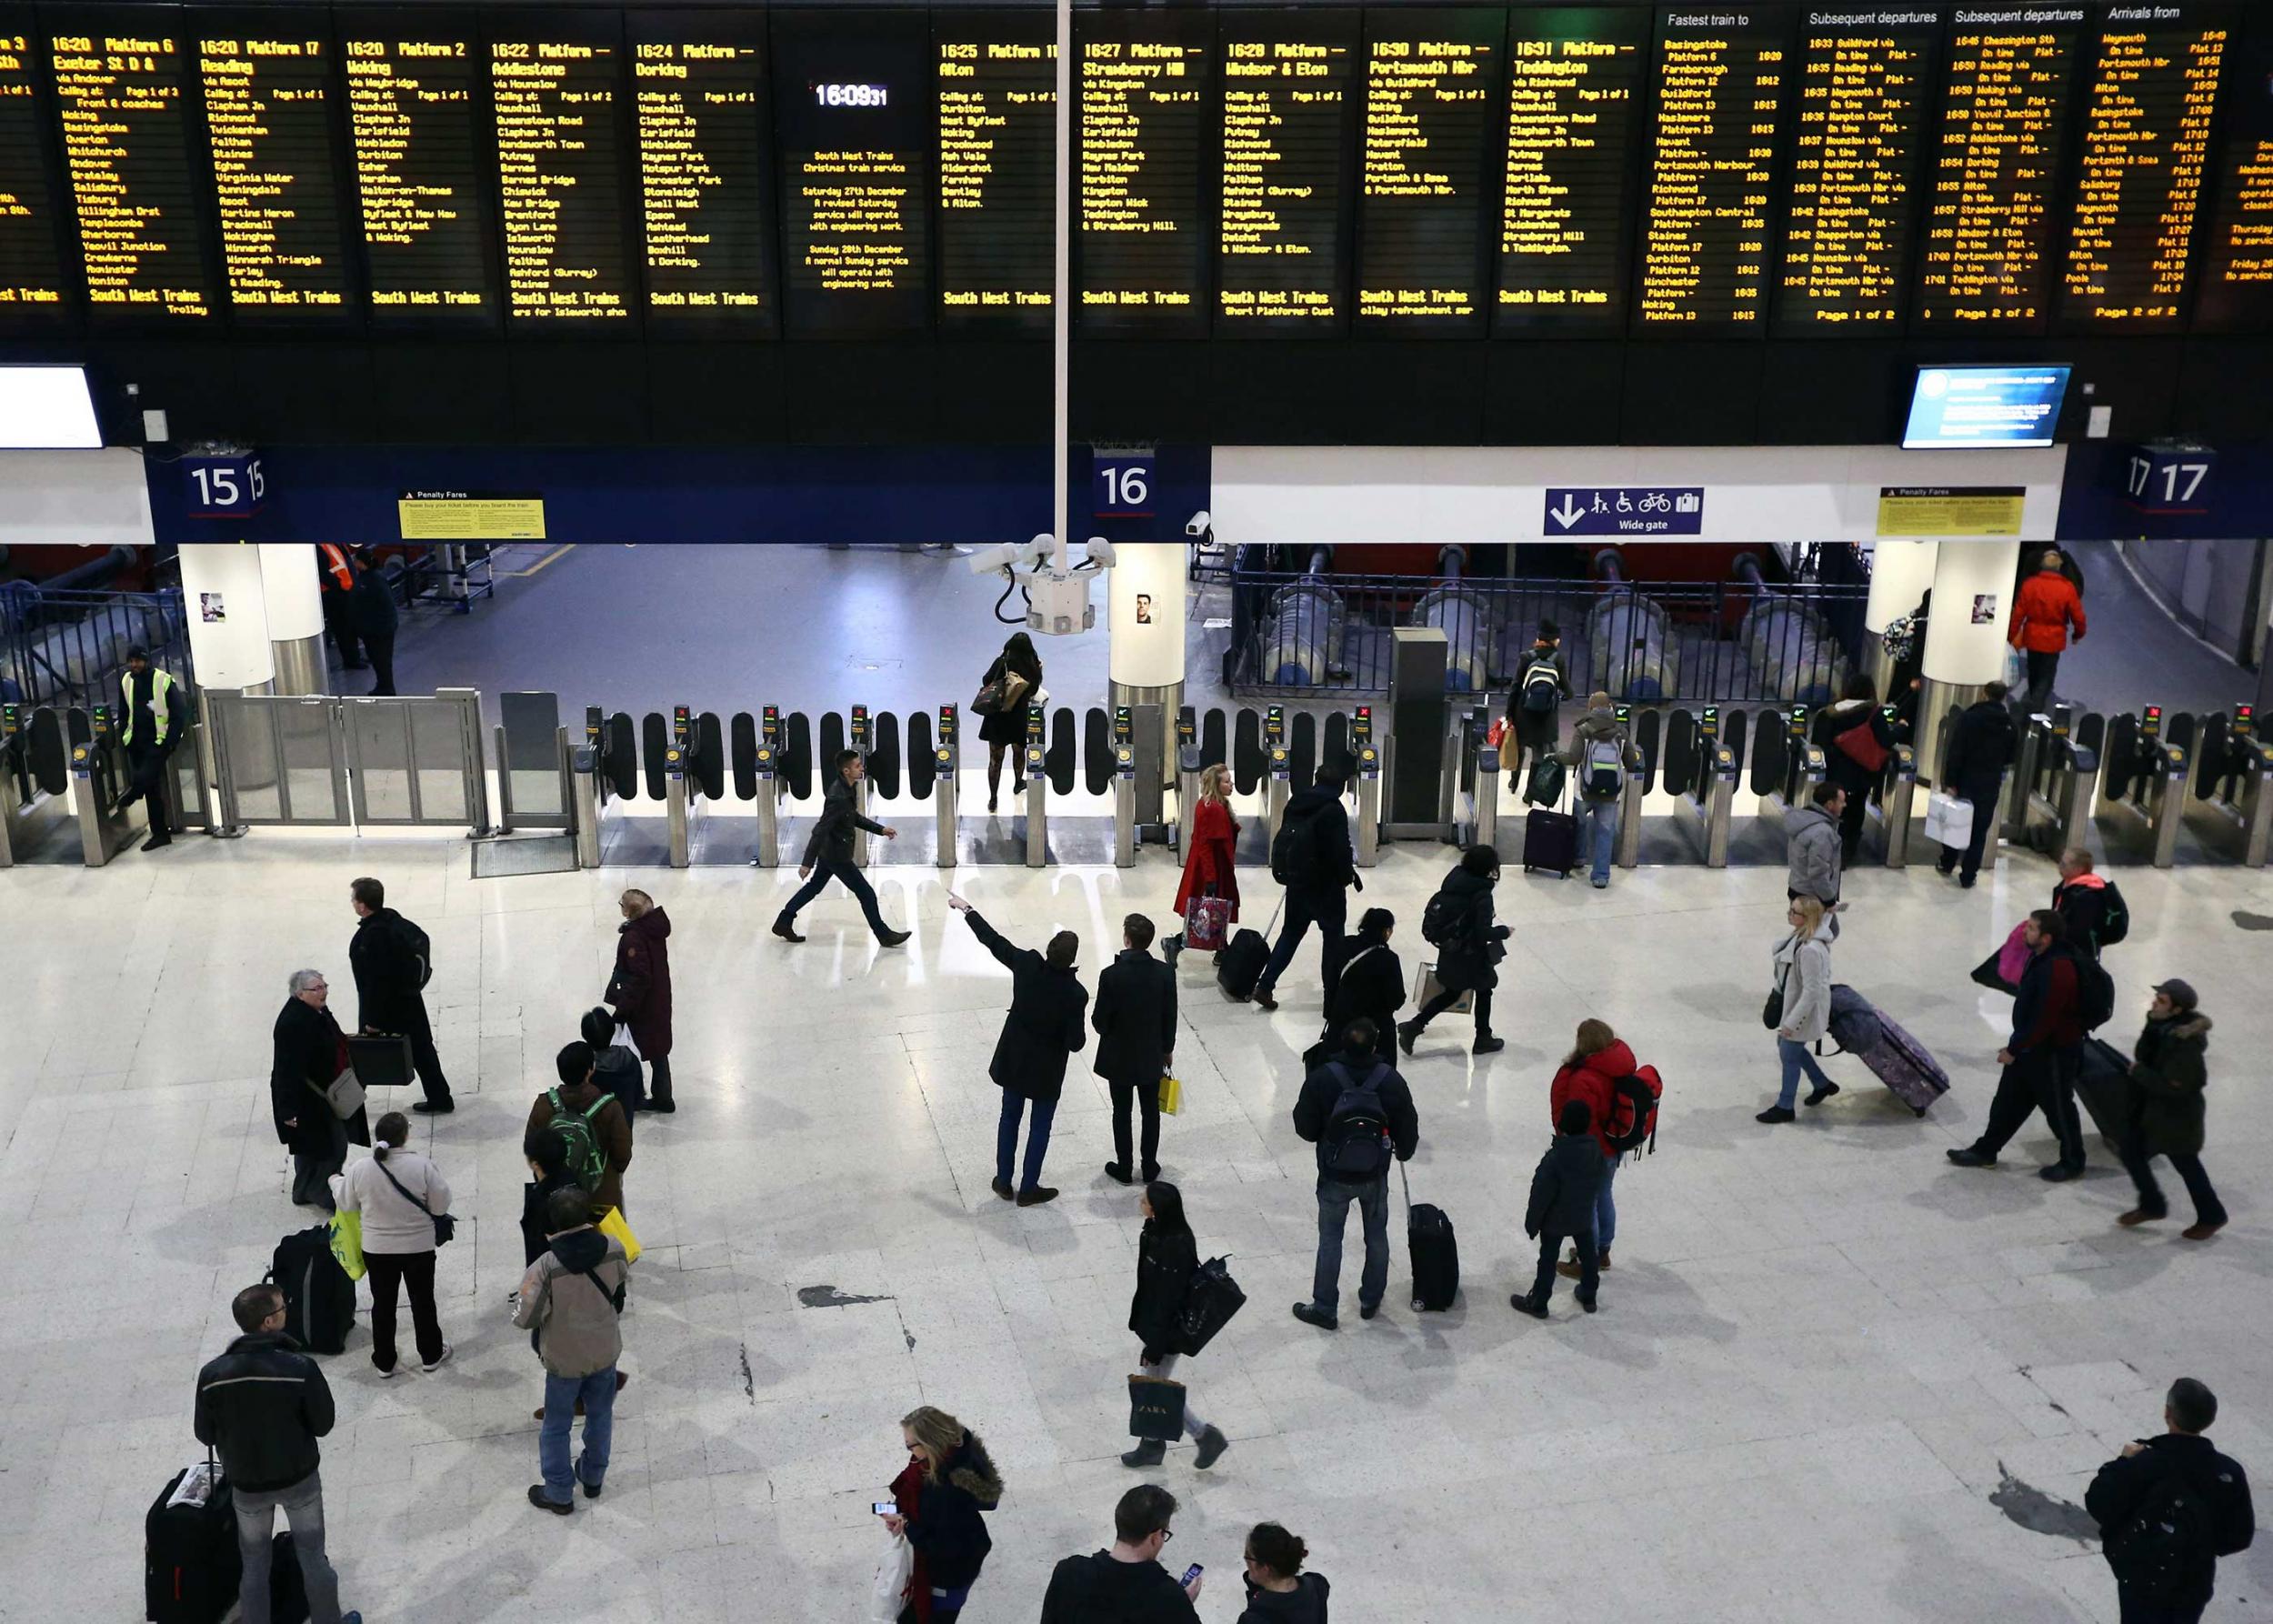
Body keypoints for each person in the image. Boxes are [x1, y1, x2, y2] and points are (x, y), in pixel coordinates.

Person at [195, 1284, 360, 1624]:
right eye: (282, 1307)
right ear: (268, 1323)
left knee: (254, 1563)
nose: (287, 1310)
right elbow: (323, 1423)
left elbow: (204, 1433)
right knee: (312, 1556)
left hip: (246, 1484)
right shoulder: (299, 1367)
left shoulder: (212, 1375)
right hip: (298, 1478)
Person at [949, 893, 1088, 1206]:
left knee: (1009, 1117)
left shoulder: (1027, 965)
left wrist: (967, 909)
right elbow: (1076, 1043)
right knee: (1040, 1127)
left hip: (1014, 1061)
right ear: (1072, 959)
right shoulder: (1075, 994)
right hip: (1047, 1072)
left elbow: (993, 941)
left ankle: (1003, 1179)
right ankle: (1029, 1188)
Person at [2086, 1378, 2254, 1624]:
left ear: (2168, 1413)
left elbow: (2098, 1502)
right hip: (2194, 1578)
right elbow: (2239, 1536)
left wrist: (2122, 1461)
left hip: (2143, 1576)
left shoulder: (2144, 1463)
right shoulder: (2228, 1472)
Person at [1291, 1018, 1418, 1329]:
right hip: (1375, 1174)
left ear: (1342, 1044)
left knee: (1330, 1238)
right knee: (1376, 1235)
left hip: (1334, 1175)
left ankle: (1324, 1307)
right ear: (1375, 1045)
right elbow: (1408, 1125)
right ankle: (1371, 1298)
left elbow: (1304, 1128)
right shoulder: (1390, 1080)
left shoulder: (1322, 1078)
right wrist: (1403, 1150)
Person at [516, 1186, 632, 1514]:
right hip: (605, 1349)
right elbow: (622, 1277)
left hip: (564, 1359)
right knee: (600, 1414)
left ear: (552, 1223)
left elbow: (526, 1317)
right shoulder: (612, 1246)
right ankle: (593, 1477)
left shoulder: (545, 1267)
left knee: (556, 1424)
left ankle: (558, 1492)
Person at [1948, 909, 2088, 1178]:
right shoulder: (2041, 957)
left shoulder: (2059, 968)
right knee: (2007, 1101)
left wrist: (2014, 1049)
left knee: (2058, 1109)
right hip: (2031, 1047)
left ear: (2046, 938)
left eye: (2032, 928)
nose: (2025, 931)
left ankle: (2073, 1161)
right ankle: (1986, 1150)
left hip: (2054, 1053)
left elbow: (2045, 1019)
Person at [1121, 1180, 1231, 1469]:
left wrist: (1155, 1345)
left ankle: (1202, 1436)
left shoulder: (1173, 1245)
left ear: (1156, 1209)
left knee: (1155, 1388)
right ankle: (1155, 1443)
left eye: (1144, 1200)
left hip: (1167, 1331)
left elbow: (1167, 1300)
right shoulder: (1158, 1231)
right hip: (1157, 1326)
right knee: (1154, 1385)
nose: (1140, 1202)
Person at [337, 1110, 452, 1378]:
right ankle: (430, 1354)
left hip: (377, 1250)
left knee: (383, 1303)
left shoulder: (361, 1168)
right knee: (423, 1301)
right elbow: (441, 1204)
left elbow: (346, 1204)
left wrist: (335, 1181)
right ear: (405, 1137)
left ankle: (384, 1361)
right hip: (418, 1248)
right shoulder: (421, 1166)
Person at [2116, 979, 2227, 1240]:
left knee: (2187, 1165)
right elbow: (2146, 1055)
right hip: (2152, 1109)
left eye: (2162, 1000)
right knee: (2131, 1151)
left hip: (2177, 1117)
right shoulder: (2159, 1026)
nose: (2155, 1002)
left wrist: (2139, 1073)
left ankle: (2212, 1216)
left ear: (2177, 1010)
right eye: (2157, 997)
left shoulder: (2185, 1045)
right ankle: (2152, 1204)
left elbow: (2179, 1086)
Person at [1250, 763, 1360, 1013]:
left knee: (1290, 933)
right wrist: (1345, 878)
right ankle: (1331, 997)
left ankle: (1265, 985)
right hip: (1327, 886)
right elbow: (1340, 849)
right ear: (1340, 786)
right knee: (1333, 939)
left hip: (1298, 882)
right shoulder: (1334, 810)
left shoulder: (1297, 802)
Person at [773, 748, 910, 947]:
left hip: (831, 851)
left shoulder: (847, 788)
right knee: (866, 894)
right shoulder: (839, 796)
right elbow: (820, 829)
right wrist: (806, 863)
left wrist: (880, 830)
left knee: (814, 887)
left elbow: (852, 817)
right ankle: (883, 934)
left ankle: (784, 920)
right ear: (846, 771)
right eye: (857, 766)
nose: (862, 768)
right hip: (837, 855)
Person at [884, 1406, 1003, 1624]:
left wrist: (908, 1525)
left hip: (947, 1576)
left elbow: (943, 1548)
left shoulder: (947, 1492)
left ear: (930, 1443)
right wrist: (896, 1511)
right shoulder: (947, 1455)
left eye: (911, 1446)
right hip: (961, 1550)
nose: (910, 1452)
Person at [347, 876, 452, 1114]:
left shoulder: (374, 936)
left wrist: (372, 1021)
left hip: (388, 1009)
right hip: (410, 1001)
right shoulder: (392, 920)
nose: (352, 902)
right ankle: (440, 1097)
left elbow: (377, 982)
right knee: (423, 1051)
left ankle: (349, 1104)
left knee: (364, 1054)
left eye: (354, 898)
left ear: (363, 905)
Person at [1548, 1019, 1643, 1274]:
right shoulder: (1620, 1064)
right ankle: (1603, 1250)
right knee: (1604, 1195)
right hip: (1614, 1145)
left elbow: (1582, 1120)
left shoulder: (1584, 1078)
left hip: (1591, 1150)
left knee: (1587, 1202)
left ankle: (1588, 1259)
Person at [1398, 846, 1508, 1056]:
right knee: (1484, 991)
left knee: (1452, 992)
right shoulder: (1482, 893)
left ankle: (1414, 1026)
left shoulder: (1453, 883)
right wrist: (1503, 932)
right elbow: (1482, 932)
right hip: (1472, 956)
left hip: (1451, 951)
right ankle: (1483, 1037)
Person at [1037, 1485, 1204, 1622]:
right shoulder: (1168, 1599)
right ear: (1154, 1537)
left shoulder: (1068, 1572)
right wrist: (1182, 1606)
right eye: (1164, 1534)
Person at [1095, 914, 1177, 1186]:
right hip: (1152, 1056)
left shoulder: (1110, 975)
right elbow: (1170, 1015)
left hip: (1118, 1058)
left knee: (1121, 1111)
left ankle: (1124, 1166)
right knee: (1151, 1112)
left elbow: (1099, 1023)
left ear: (1126, 940)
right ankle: (1149, 1165)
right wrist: (1167, 1048)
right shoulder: (1165, 973)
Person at [272, 968, 364, 1211]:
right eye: (317, 989)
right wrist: (288, 1111)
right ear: (300, 994)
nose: (323, 992)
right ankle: (324, 1193)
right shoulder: (293, 1024)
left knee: (309, 1146)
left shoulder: (315, 1010)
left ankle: (303, 1190)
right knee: (334, 1145)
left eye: (325, 986)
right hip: (309, 1099)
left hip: (322, 1091)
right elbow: (285, 1071)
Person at [1515, 1099, 1605, 1318]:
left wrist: (1532, 1224)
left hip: (1554, 1221)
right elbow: (1599, 1179)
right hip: (1583, 1215)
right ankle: (1589, 1293)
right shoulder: (1594, 1148)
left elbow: (1540, 1195)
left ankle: (1539, 1302)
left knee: (1547, 1259)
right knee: (1589, 1254)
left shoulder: (1555, 1158)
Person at [527, 1041, 634, 1218]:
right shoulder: (610, 1108)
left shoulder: (544, 1105)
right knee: (607, 1241)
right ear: (590, 1070)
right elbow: (622, 1152)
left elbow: (532, 1146)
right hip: (601, 1193)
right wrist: (613, 1173)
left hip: (557, 1195)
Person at [1757, 896, 1838, 1124]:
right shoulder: (1806, 936)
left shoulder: (1810, 950)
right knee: (1785, 1047)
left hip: (1804, 1013)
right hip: (1797, 1008)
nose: (1789, 914)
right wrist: (1831, 910)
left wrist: (1791, 1023)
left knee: (1788, 1054)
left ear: (1807, 918)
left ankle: (1785, 1106)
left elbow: (1812, 991)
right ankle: (1822, 1084)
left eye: (1794, 912)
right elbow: (1824, 918)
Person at [1936, 680, 2018, 887]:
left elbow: (1956, 752)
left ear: (1984, 694)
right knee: (1980, 830)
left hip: (1966, 780)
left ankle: (1948, 862)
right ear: (2002, 697)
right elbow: (2011, 757)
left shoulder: (1970, 718)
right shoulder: (2009, 724)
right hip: (1989, 784)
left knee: (1956, 822)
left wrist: (1950, 781)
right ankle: (1968, 875)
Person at [1553, 691, 1638, 888]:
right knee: (1605, 831)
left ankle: (1579, 859)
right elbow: (1632, 763)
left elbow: (1574, 758)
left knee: (1580, 824)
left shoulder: (1583, 730)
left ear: (1590, 708)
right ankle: (1601, 876)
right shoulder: (1621, 732)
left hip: (1583, 789)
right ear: (1610, 708)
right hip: (1611, 792)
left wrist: (1557, 756)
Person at [1816, 673, 1897, 866]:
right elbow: (1886, 740)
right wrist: (1900, 728)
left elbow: (1819, 742)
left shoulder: (1830, 712)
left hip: (1836, 771)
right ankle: (1847, 852)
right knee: (1856, 809)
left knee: (1835, 809)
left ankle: (1828, 848)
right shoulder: (1873, 712)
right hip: (1861, 773)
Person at [606, 888, 676, 1111]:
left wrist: (623, 1008)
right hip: (659, 999)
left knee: (630, 1049)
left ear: (629, 912)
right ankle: (663, 1096)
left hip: (643, 1006)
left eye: (622, 904)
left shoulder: (634, 937)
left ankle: (634, 1096)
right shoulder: (654, 929)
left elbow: (639, 977)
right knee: (659, 1050)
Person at [109, 645, 182, 850]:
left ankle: (133, 794)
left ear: (145, 660)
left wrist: (170, 742)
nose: (134, 665)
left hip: (158, 742)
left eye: (137, 661)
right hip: (136, 741)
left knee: (143, 778)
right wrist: (125, 736)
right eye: (131, 661)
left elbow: (178, 713)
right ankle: (160, 834)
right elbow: (124, 712)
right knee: (151, 788)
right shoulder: (126, 681)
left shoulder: (162, 680)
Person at [1167, 762, 1239, 956]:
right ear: (1217, 785)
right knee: (1207, 910)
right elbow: (1206, 845)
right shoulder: (1212, 808)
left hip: (1214, 865)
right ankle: (1176, 943)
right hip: (1212, 867)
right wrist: (1211, 878)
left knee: (1212, 909)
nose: (1231, 785)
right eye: (1226, 782)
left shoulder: (1213, 804)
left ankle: (1222, 949)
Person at [2010, 546, 2087, 715]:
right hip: (2054, 639)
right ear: (2059, 567)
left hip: (2032, 636)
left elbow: (2018, 613)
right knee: (2047, 675)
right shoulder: (2067, 588)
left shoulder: (2030, 585)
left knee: (2034, 670)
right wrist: (2077, 634)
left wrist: (2011, 635)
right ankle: (2036, 707)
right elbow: (2078, 616)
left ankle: (2032, 700)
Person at [976, 630, 1043, 814]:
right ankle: (1018, 782)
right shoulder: (1031, 667)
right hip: (1018, 717)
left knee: (995, 760)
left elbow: (986, 680)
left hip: (997, 717)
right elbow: (1035, 689)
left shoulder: (1001, 662)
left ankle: (993, 798)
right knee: (1019, 752)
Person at [1321, 907, 1403, 1055]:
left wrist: (1330, 1014)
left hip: (1342, 1022)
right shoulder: (1388, 959)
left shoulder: (1344, 945)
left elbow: (1331, 982)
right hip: (1376, 1026)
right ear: (1386, 931)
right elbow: (1397, 999)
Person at [1505, 619, 1572, 787]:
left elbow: (1515, 686)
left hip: (1523, 711)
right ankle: (1529, 793)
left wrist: (1510, 712)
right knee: (1538, 754)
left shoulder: (1526, 657)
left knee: (1520, 748)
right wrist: (1565, 696)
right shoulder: (1558, 659)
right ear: (1555, 640)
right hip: (1546, 714)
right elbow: (1567, 689)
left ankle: (1514, 782)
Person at [519, 1127, 586, 1268]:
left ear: (535, 1164)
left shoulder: (541, 1201)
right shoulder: (574, 1180)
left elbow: (536, 1246)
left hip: (552, 1272)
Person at [1238, 1523, 1330, 1623]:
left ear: (1265, 1568)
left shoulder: (1253, 1619)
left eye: (1247, 1557)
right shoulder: (1317, 1584)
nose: (1246, 1562)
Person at [2054, 847, 2127, 959]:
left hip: (2078, 955)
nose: (2059, 866)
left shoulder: (2087, 896)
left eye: (2064, 864)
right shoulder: (2068, 885)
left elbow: (2079, 933)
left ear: (2079, 869)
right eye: (2060, 862)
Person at [347, 548, 400, 697]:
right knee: (380, 659)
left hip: (378, 629)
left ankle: (386, 687)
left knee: (380, 659)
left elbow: (370, 605)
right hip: (378, 627)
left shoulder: (371, 580)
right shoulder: (373, 578)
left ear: (361, 562)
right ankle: (384, 685)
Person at [580, 1007, 646, 1119]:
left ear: (585, 1036)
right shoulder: (630, 1058)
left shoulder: (586, 1069)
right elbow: (638, 1096)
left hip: (594, 1127)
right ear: (612, 1029)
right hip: (623, 1123)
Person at [1786, 781, 1845, 906]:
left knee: (1822, 926)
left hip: (1797, 887)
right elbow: (1818, 872)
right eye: (1841, 802)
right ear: (1829, 804)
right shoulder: (1822, 832)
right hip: (1813, 898)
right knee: (1820, 926)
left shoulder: (1804, 818)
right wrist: (1829, 900)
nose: (1844, 805)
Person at [316, 545, 365, 672]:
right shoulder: (321, 547)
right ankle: (351, 660)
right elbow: (323, 573)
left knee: (350, 626)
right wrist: (339, 585)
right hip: (335, 594)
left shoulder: (333, 544)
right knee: (343, 629)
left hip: (345, 591)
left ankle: (355, 657)